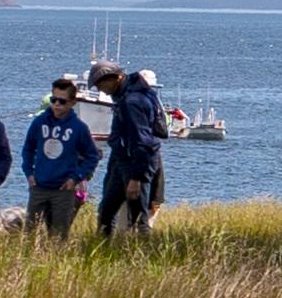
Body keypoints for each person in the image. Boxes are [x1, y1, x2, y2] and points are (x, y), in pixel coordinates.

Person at [94, 57, 170, 242]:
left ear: (116, 78)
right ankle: (103, 250)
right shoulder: (133, 92)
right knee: (107, 211)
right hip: (124, 160)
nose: (99, 89)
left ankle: (140, 253)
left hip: (135, 163)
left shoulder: (132, 101)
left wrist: (136, 177)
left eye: (101, 83)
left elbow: (142, 141)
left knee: (137, 217)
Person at [21, 76, 102, 239]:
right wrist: (29, 173)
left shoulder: (78, 128)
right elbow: (28, 149)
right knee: (29, 234)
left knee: (58, 236)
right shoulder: (39, 122)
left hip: (63, 190)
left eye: (62, 101)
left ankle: (54, 261)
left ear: (72, 102)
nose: (57, 105)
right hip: (39, 186)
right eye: (54, 100)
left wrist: (76, 178)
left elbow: (92, 156)